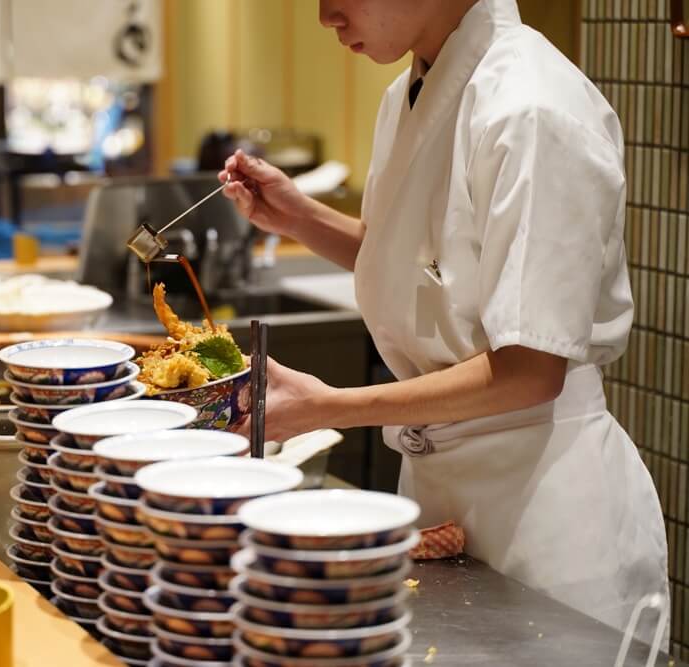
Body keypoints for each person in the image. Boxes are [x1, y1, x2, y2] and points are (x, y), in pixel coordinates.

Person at [221, 0, 669, 643]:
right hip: (439, 482)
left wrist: (330, 407)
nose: (326, 15)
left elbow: (530, 371)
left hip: (540, 501)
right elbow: (431, 273)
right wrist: (302, 219)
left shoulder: (533, 108)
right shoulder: (408, 93)